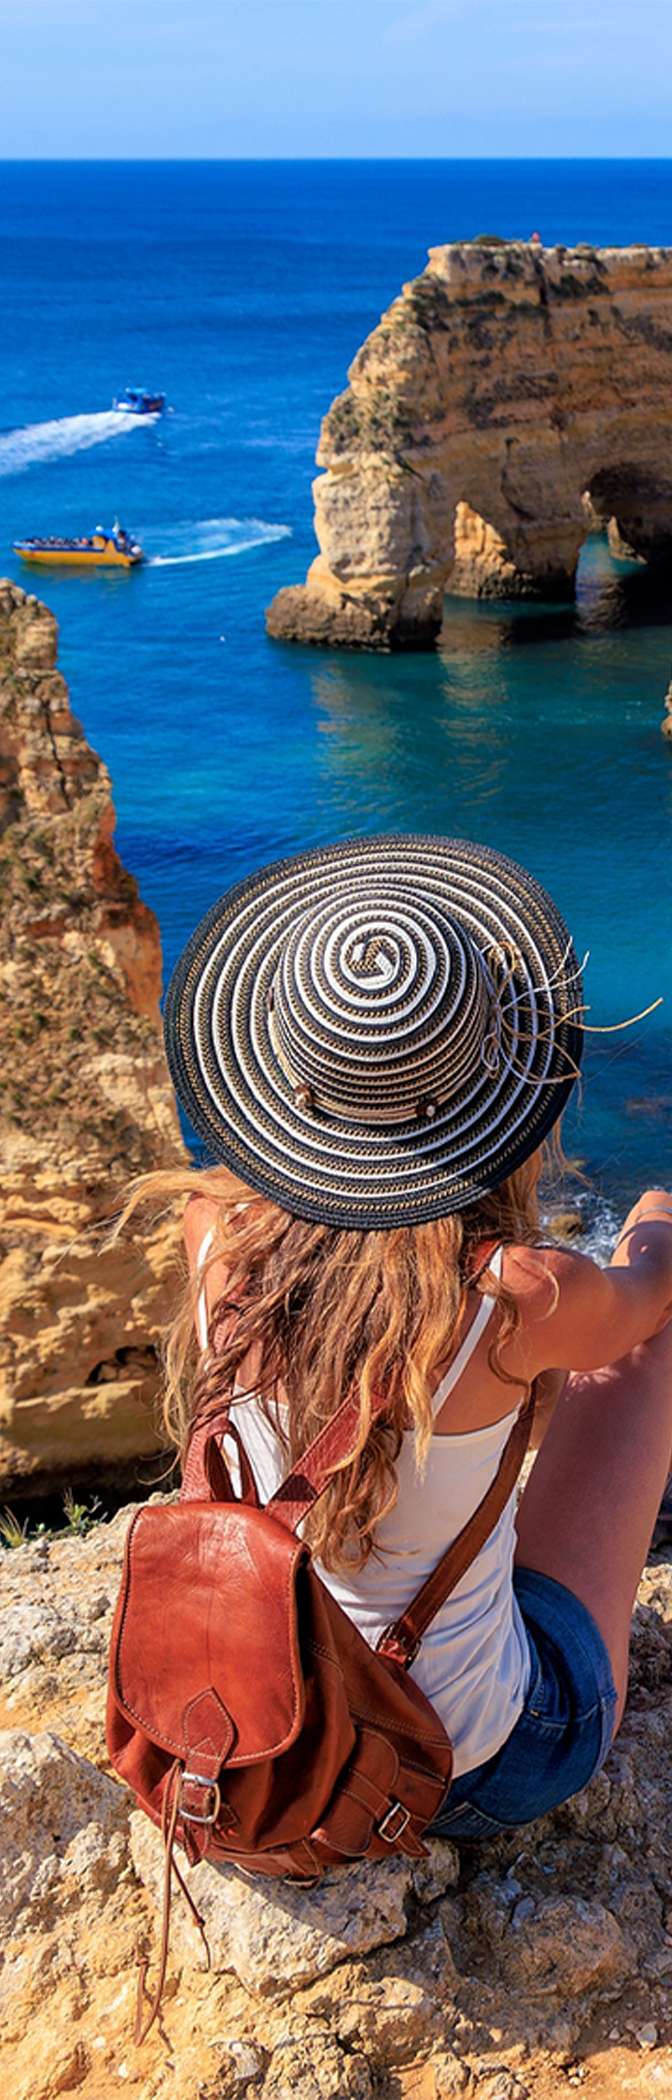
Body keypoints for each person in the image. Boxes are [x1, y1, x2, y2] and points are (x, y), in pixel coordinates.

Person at [119, 834, 672, 1841]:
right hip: (461, 1771)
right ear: (497, 1093)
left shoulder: (218, 1235)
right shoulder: (518, 1299)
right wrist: (655, 1216)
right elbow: (650, 1296)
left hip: (263, 1744)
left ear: (285, 1082)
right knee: (650, 1344)